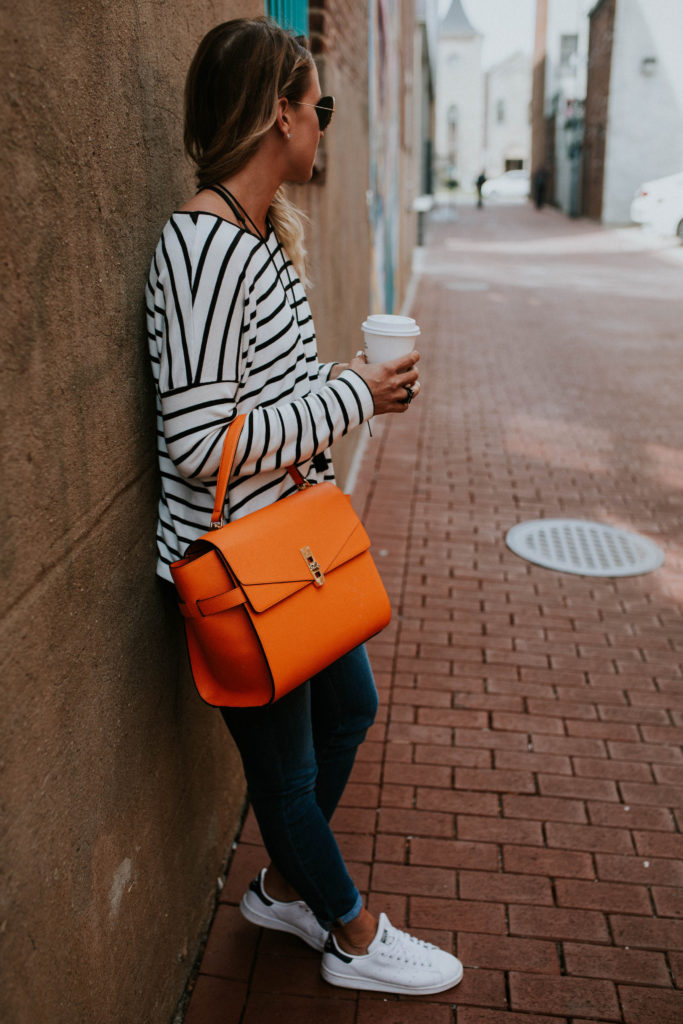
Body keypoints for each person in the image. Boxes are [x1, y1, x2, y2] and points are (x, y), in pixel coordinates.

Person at [146, 17, 463, 997]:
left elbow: (259, 401)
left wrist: (344, 384)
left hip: (288, 547)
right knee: (281, 776)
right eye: (314, 105)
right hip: (240, 567)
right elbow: (200, 443)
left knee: (352, 705)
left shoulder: (251, 236)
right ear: (275, 114)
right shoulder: (201, 246)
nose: (321, 122)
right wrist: (351, 393)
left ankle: (285, 883)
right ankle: (352, 933)